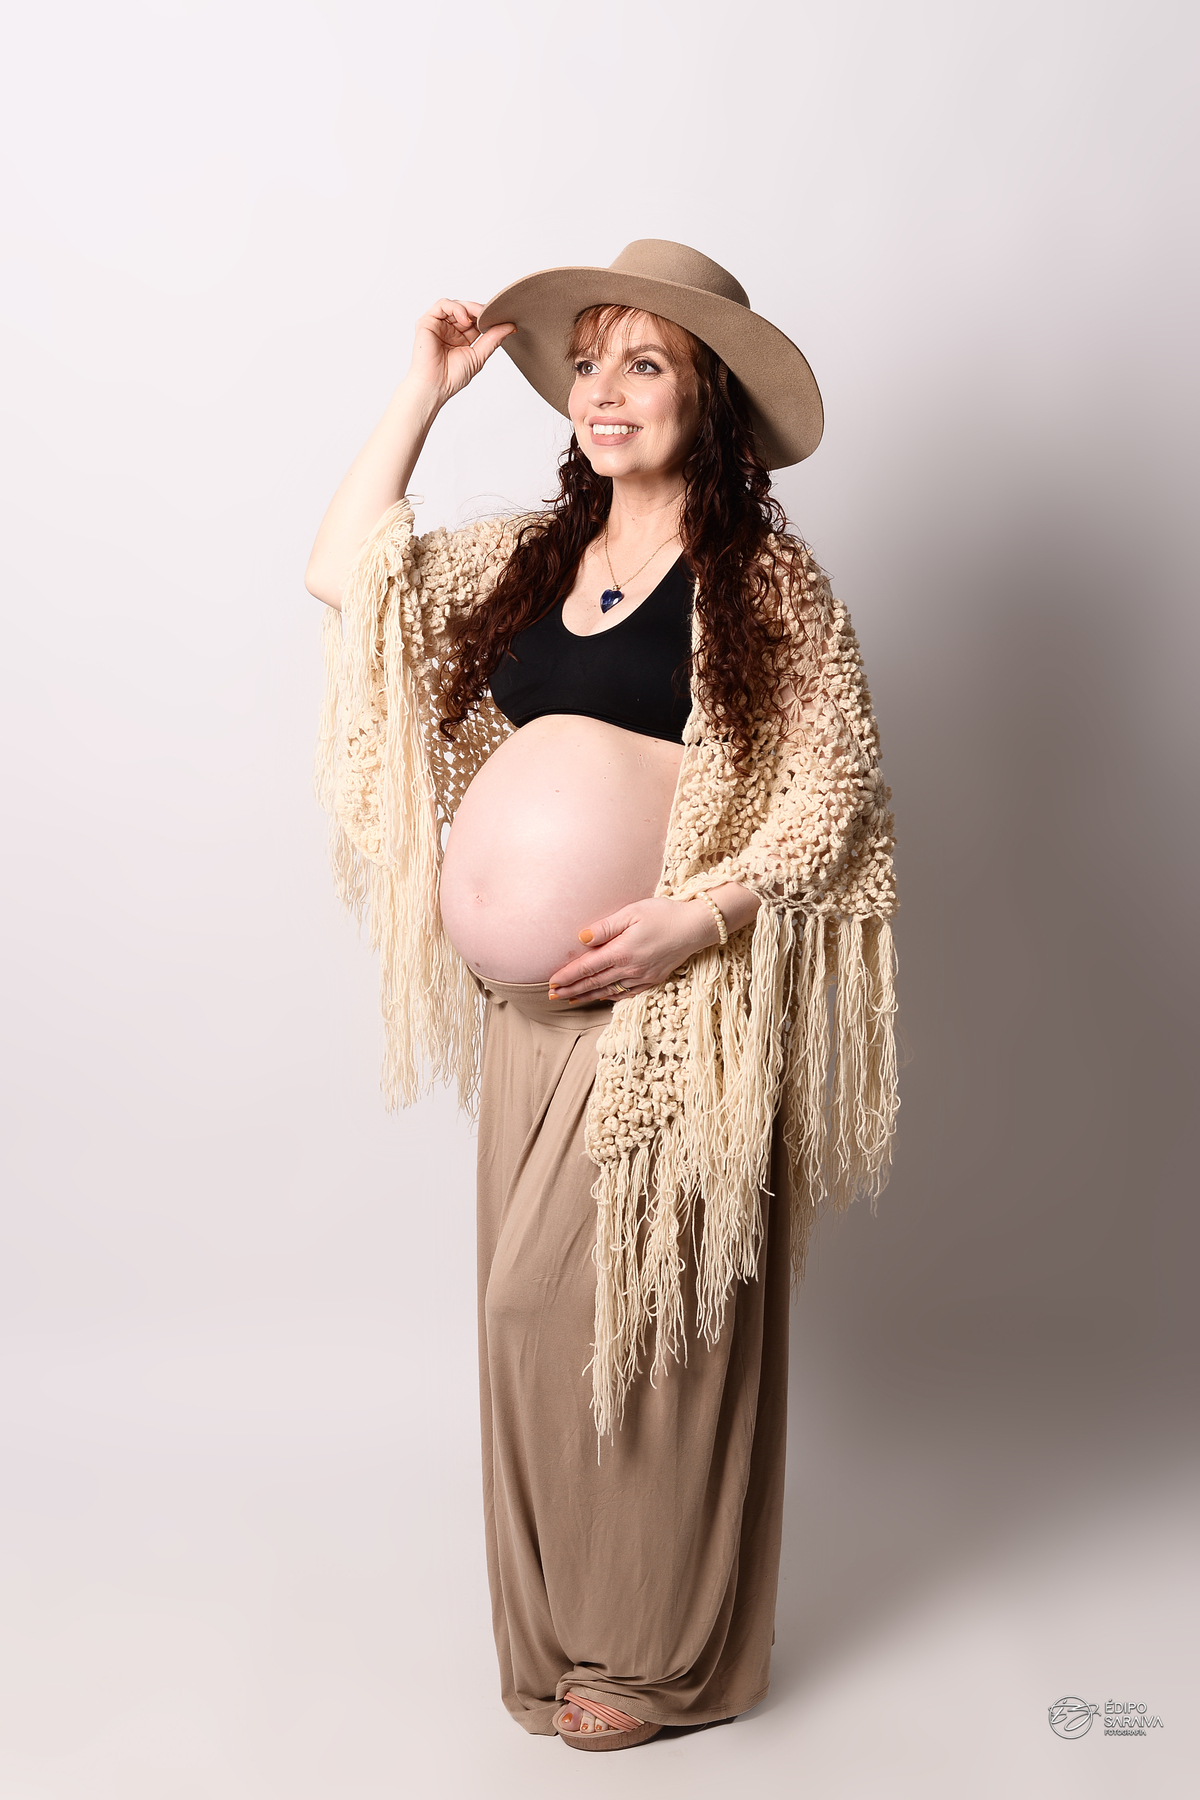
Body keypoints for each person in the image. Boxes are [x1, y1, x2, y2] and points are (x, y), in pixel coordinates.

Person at [305, 241, 898, 1752]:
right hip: (530, 1018)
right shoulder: (530, 556)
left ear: (713, 402)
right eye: (588, 363)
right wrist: (423, 394)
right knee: (538, 1328)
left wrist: (695, 920)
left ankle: (652, 1659)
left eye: (646, 363)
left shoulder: (760, 579)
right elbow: (344, 573)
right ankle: (571, 1639)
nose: (604, 390)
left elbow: (832, 795)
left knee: (635, 1322)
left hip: (669, 1015)